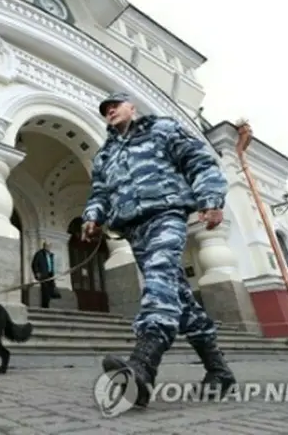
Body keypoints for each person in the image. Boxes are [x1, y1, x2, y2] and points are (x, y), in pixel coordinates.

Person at [81, 92, 236, 408]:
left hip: (165, 214)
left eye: (116, 105)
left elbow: (198, 161)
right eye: (106, 109)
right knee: (180, 299)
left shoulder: (162, 128)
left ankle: (143, 365)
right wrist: (93, 216)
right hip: (132, 229)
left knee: (159, 276)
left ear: (131, 107)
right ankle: (218, 371)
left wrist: (210, 198)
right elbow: (100, 191)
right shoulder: (105, 155)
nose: (110, 110)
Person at [31, 241, 60, 308]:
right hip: (43, 274)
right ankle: (45, 306)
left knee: (51, 289)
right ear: (44, 246)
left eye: (50, 246)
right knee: (45, 290)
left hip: (50, 275)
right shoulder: (39, 254)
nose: (48, 247)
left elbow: (52, 265)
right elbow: (34, 264)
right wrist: (37, 272)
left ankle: (49, 303)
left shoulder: (51, 255)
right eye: (47, 246)